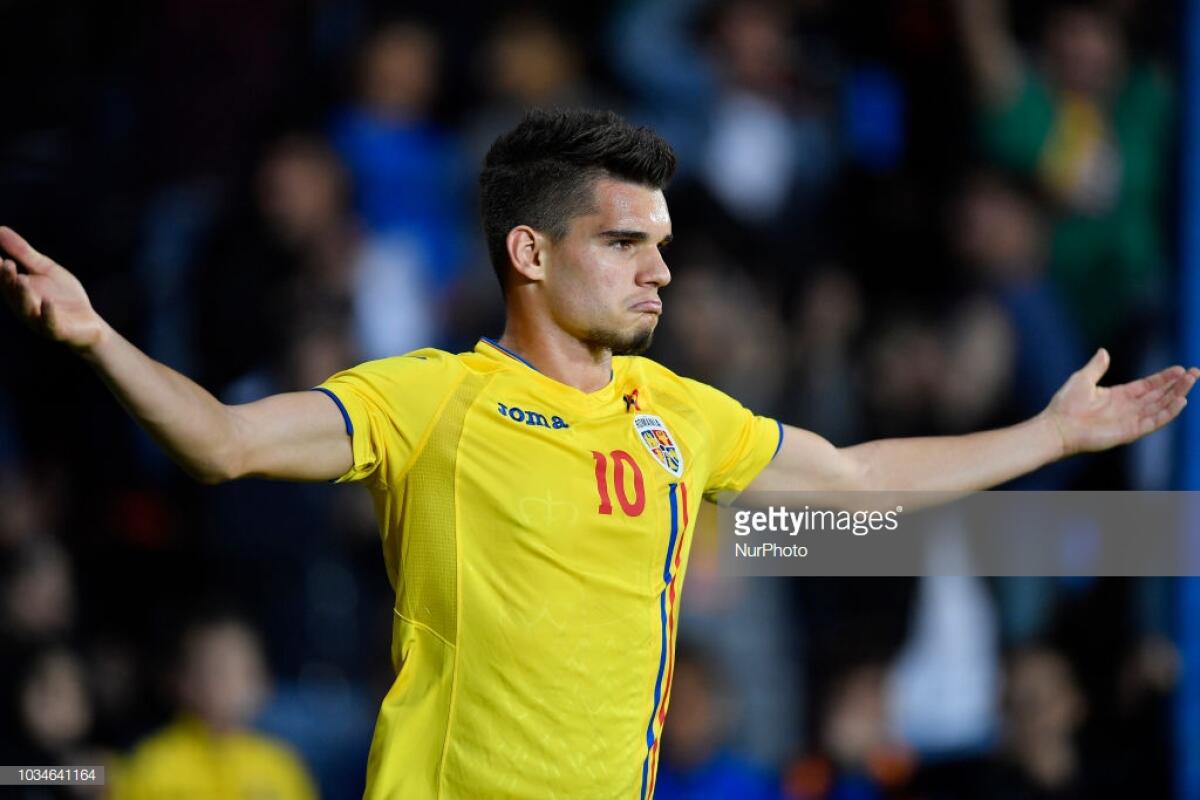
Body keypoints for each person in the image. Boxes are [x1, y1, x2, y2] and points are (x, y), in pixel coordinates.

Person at [0, 108, 1195, 798]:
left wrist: (1051, 432)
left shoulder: (677, 410)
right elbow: (217, 439)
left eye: (662, 244)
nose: (660, 270)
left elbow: (857, 476)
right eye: (625, 242)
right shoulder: (433, 398)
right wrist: (99, 335)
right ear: (530, 250)